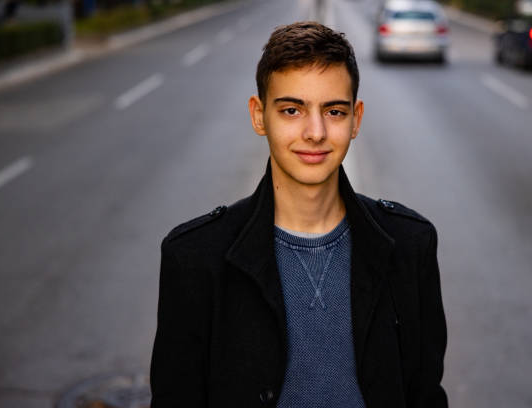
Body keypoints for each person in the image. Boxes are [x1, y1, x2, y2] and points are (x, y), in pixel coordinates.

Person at [150, 21, 448, 408]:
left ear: (356, 119)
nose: (315, 131)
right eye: (292, 110)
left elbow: (425, 396)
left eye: (334, 111)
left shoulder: (411, 246)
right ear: (259, 116)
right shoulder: (193, 259)